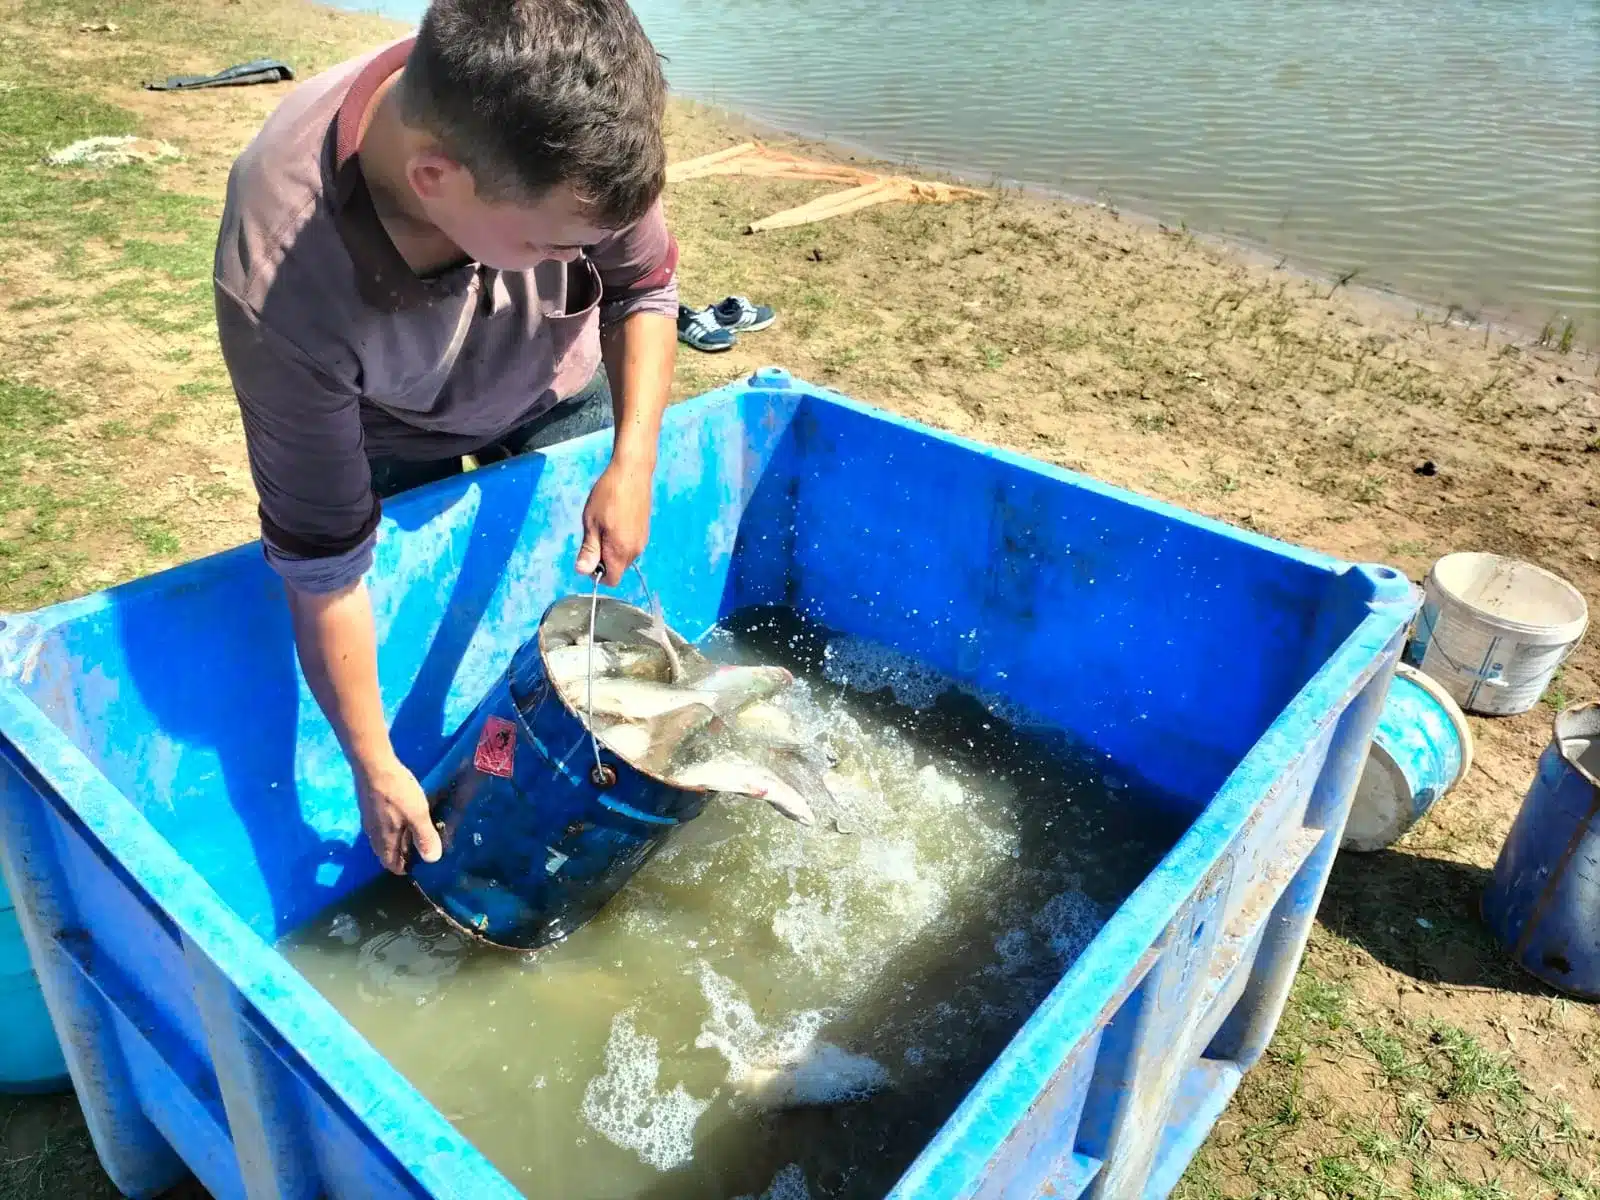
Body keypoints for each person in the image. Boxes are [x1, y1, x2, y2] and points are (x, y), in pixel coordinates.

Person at [211, 0, 679, 876]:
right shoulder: (283, 285)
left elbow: (643, 288)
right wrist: (373, 763)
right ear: (434, 180)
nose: (575, 249)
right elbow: (324, 560)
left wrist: (633, 458)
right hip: (389, 427)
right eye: (551, 240)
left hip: (549, 381)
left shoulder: (567, 146)